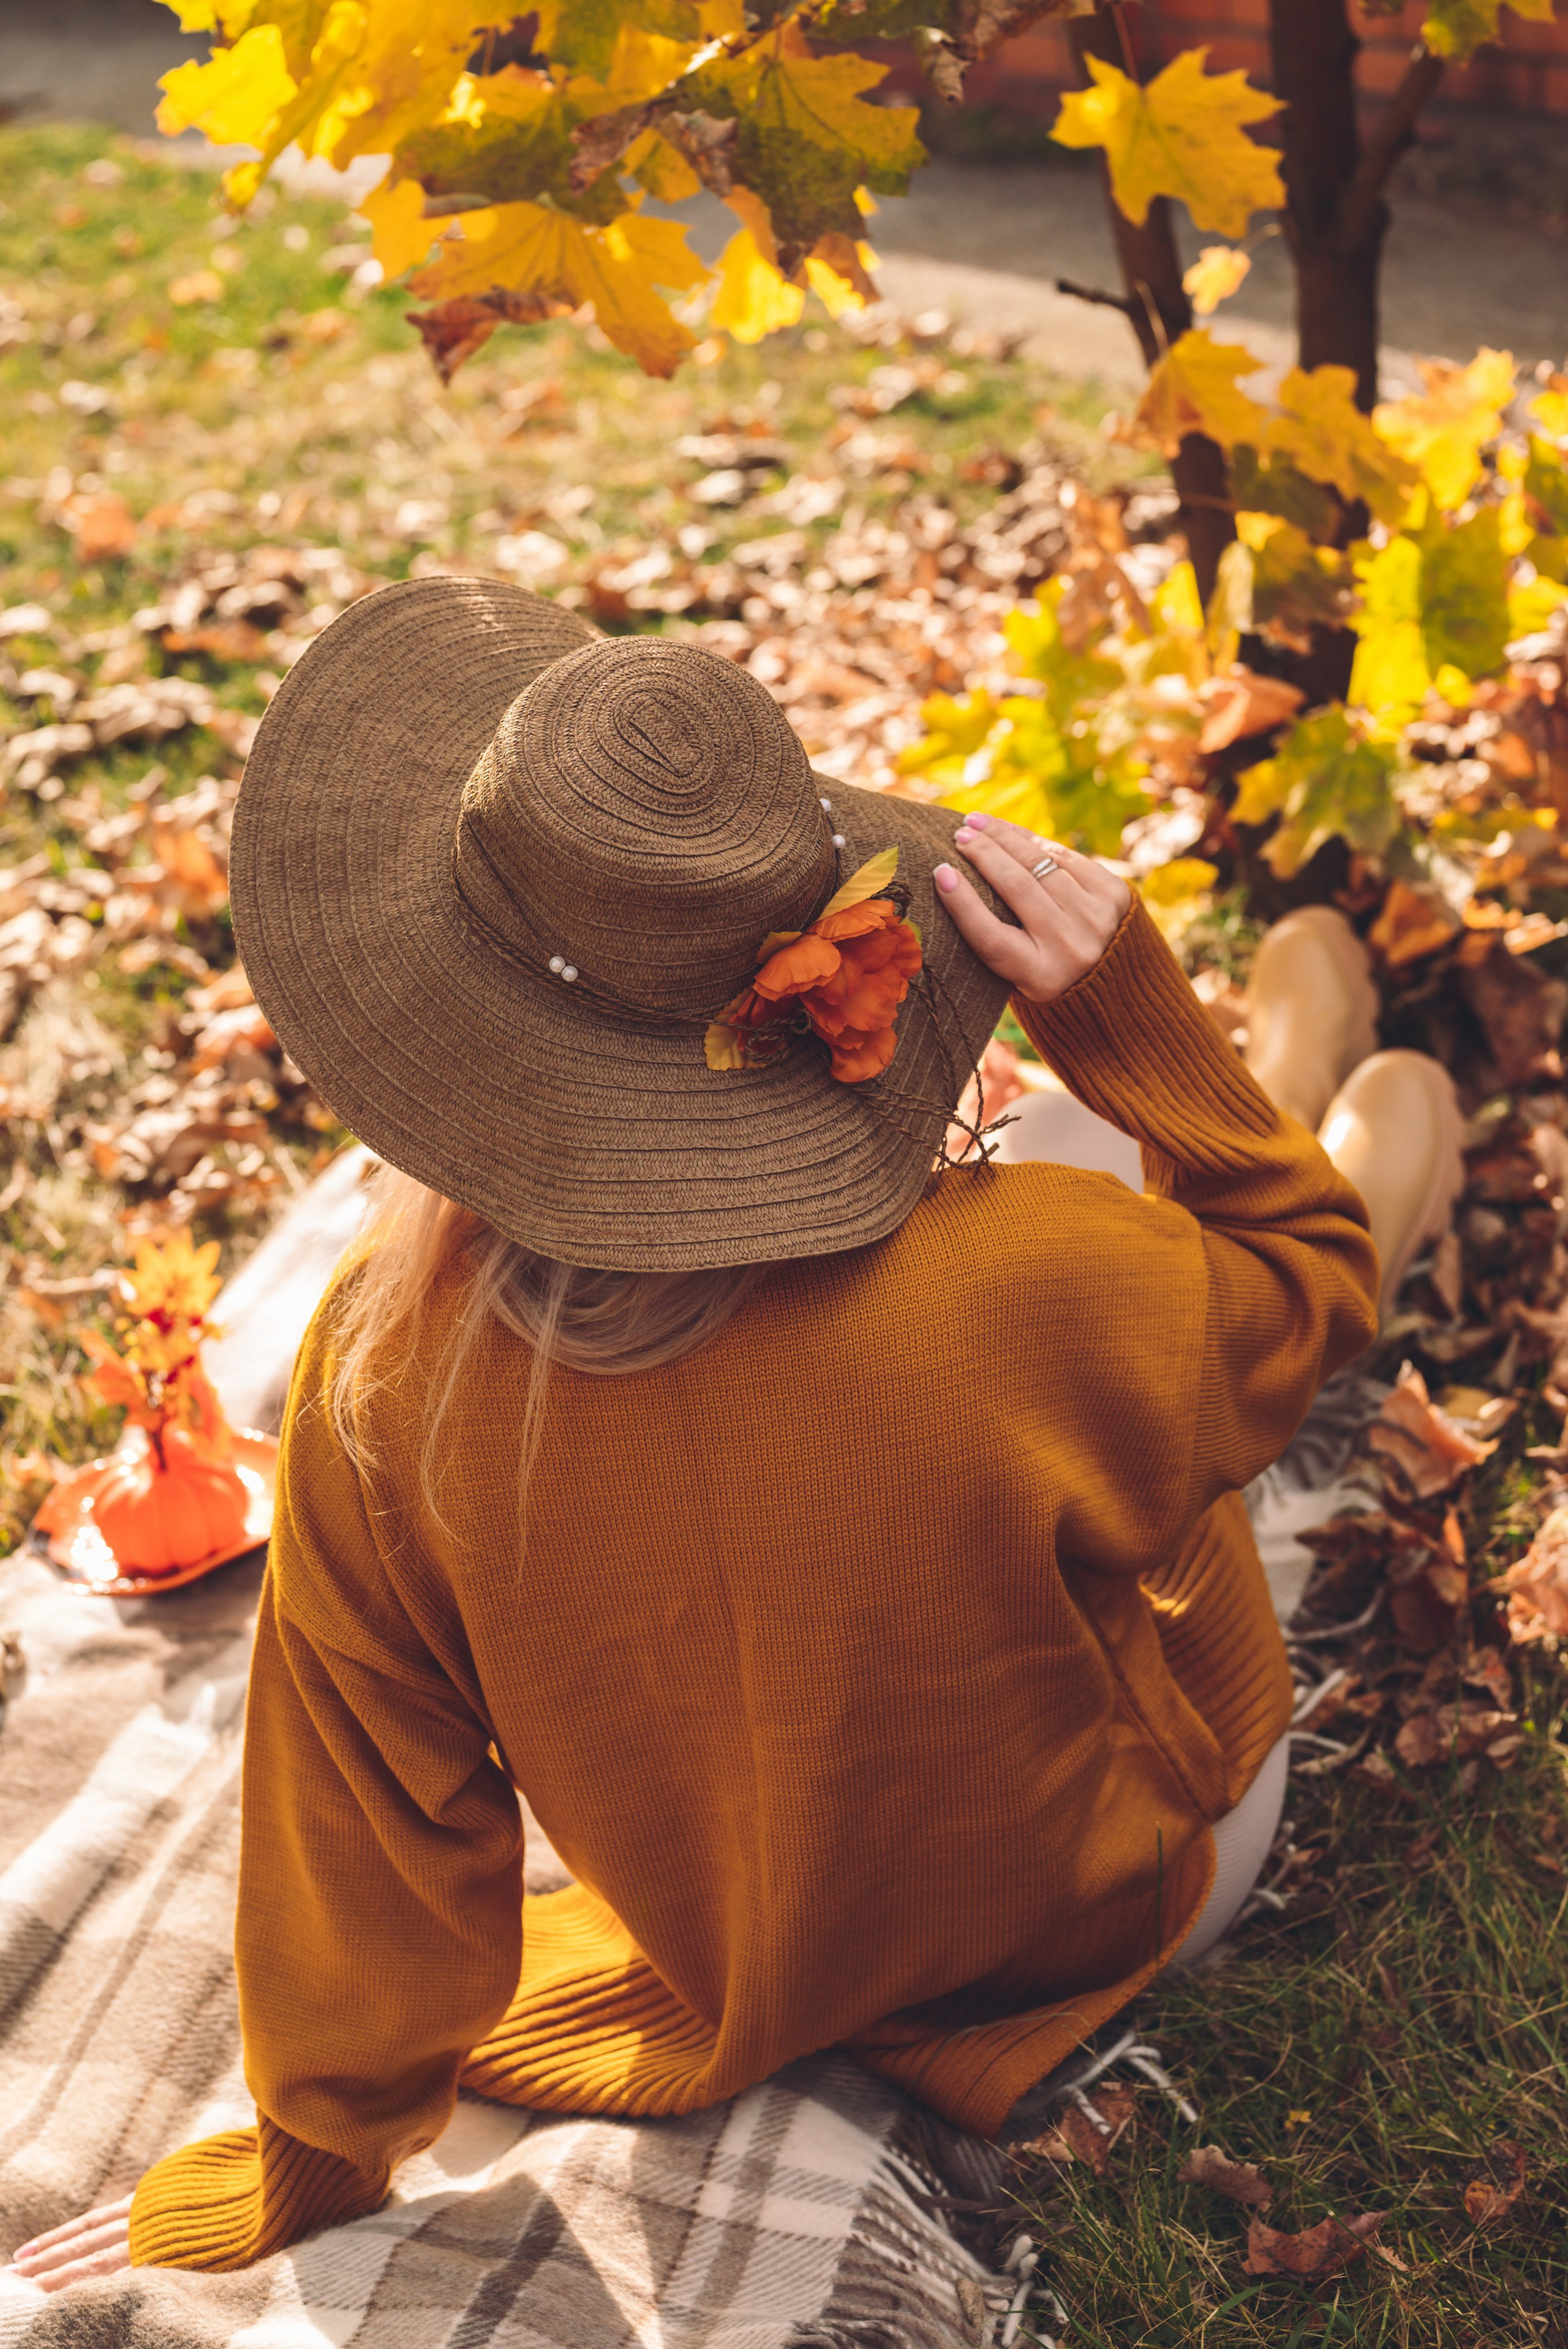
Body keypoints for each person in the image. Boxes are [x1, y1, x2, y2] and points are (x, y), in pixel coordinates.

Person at [9, 580, 1379, 2291]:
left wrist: (312, 2147)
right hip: (1131, 1890)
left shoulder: (382, 1385)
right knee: (1115, 1174)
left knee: (1070, 1209)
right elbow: (1318, 1301)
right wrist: (1138, 1029)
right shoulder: (1034, 1282)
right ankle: (1324, 1108)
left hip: (751, 1940)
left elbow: (367, 1821)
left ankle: (1310, 1093)